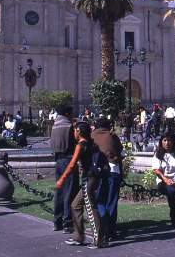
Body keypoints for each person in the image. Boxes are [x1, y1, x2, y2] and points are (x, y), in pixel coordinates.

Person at [56, 122, 103, 248]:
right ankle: (79, 236)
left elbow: (72, 165)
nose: (73, 133)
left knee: (90, 208)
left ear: (79, 131)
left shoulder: (80, 145)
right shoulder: (91, 143)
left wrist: (62, 179)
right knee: (75, 205)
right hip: (91, 178)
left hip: (89, 179)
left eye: (75, 130)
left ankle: (98, 240)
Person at [91, 117, 124, 242]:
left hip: (97, 172)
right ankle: (110, 229)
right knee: (111, 201)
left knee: (99, 200)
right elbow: (122, 153)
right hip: (113, 170)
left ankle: (103, 226)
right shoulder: (112, 136)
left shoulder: (91, 136)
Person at [50, 105, 79, 233]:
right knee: (69, 191)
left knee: (60, 192)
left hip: (58, 160)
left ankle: (57, 221)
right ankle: (68, 222)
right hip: (68, 159)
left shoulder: (55, 126)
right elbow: (75, 143)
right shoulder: (69, 126)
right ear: (67, 113)